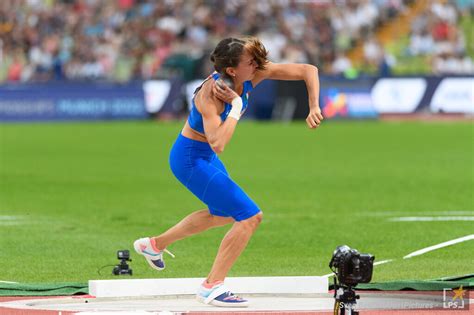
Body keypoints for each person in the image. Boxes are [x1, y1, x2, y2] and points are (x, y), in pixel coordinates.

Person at [134, 37, 323, 308]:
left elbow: (309, 70)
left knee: (223, 214)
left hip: (203, 156)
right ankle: (211, 286)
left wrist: (314, 105)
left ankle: (154, 245)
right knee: (250, 216)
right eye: (251, 62)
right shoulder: (211, 95)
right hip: (189, 159)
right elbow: (219, 143)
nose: (258, 65)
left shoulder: (252, 73)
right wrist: (235, 107)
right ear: (233, 70)